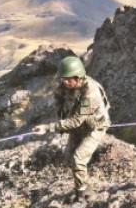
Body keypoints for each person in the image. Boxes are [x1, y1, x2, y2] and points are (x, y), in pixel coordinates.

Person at [33, 56, 111, 198]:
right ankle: (81, 184)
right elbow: (60, 103)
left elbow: (75, 121)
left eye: (69, 79)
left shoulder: (91, 93)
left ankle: (83, 192)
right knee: (69, 158)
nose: (65, 82)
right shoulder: (65, 86)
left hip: (95, 127)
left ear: (78, 77)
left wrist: (48, 128)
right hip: (78, 127)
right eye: (63, 79)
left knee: (78, 159)